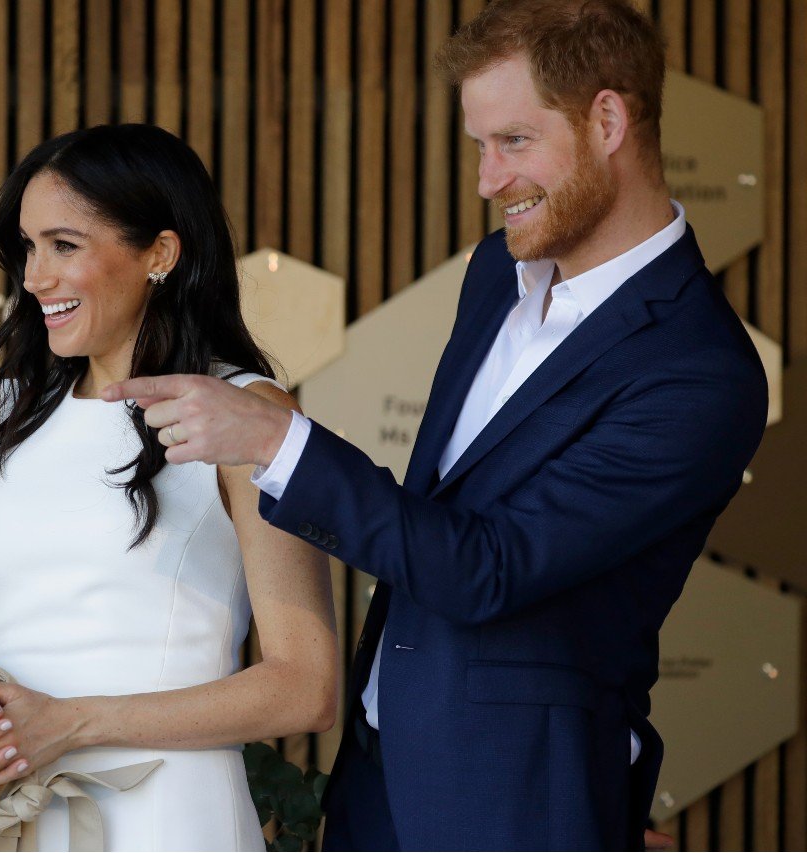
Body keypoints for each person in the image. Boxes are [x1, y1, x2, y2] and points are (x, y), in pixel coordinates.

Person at [103, 1, 768, 849]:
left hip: (516, 803)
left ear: (608, 119)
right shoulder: (500, 270)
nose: (490, 180)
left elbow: (488, 566)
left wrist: (276, 442)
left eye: (515, 143)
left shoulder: (698, 372)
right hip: (379, 779)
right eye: (479, 147)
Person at [0, 123, 337, 851]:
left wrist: (71, 721)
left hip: (173, 821)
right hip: (10, 819)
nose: (35, 276)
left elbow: (304, 686)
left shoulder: (250, 416)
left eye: (64, 245)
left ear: (160, 253)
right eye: (29, 247)